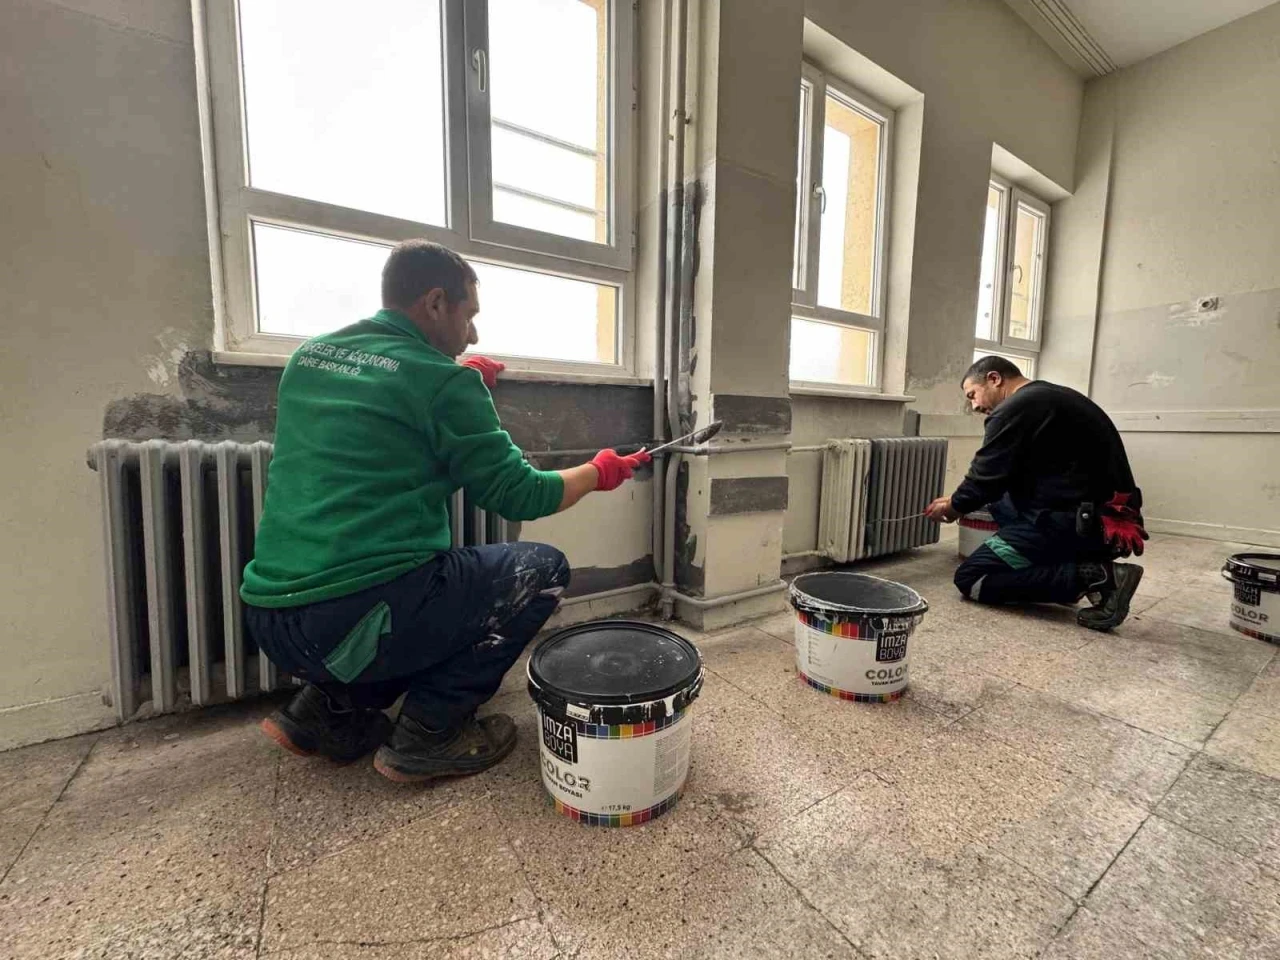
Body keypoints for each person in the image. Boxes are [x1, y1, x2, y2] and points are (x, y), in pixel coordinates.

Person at [241, 240, 650, 782]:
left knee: (422, 592)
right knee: (541, 570)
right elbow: (521, 494)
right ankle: (431, 731)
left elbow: (381, 404)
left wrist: (456, 379)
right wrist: (599, 472)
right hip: (353, 619)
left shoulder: (311, 357)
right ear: (435, 303)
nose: (472, 335)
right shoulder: (443, 383)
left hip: (270, 618)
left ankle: (322, 712)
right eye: (468, 315)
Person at [924, 355, 1148, 631]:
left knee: (972, 578)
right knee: (1000, 502)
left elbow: (985, 477)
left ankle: (1096, 575)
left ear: (994, 379)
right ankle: (1067, 570)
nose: (975, 406)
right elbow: (1000, 478)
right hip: (1102, 522)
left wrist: (952, 508)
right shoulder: (1056, 397)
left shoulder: (1015, 408)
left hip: (1071, 523)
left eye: (973, 395)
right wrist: (959, 499)